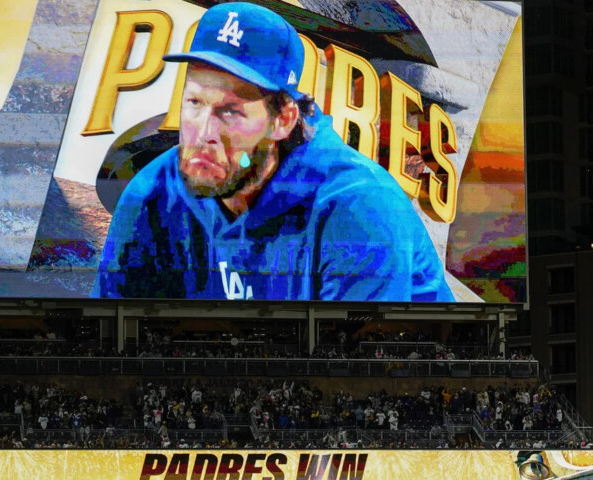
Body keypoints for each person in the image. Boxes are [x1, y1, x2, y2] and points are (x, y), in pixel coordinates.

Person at [92, 2, 453, 303]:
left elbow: (359, 375)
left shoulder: (360, 208)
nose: (203, 134)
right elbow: (107, 341)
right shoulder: (153, 192)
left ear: (283, 119)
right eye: (194, 102)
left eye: (230, 111)